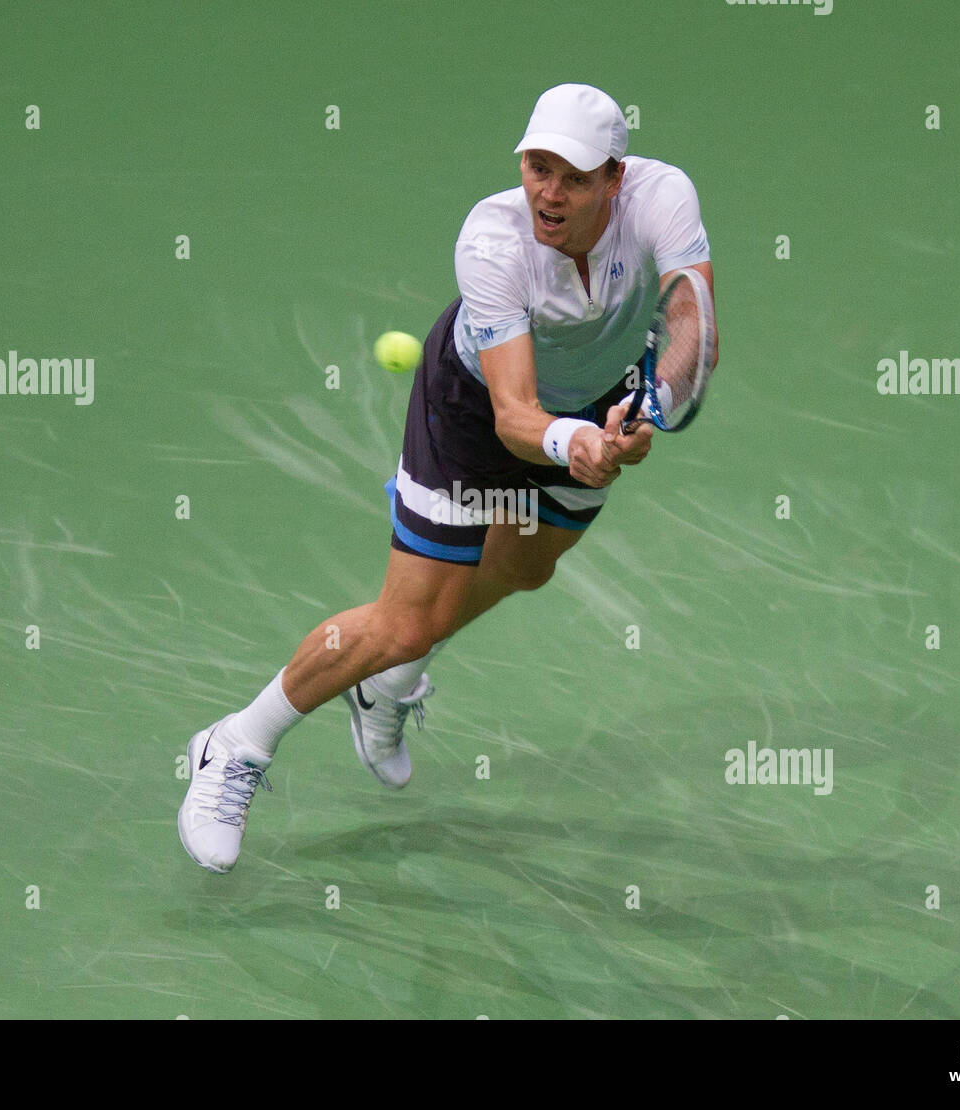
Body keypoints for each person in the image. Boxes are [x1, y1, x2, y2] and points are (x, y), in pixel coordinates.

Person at [179, 83, 718, 873]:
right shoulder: (493, 240)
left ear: (615, 178)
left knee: (526, 566)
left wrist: (650, 403)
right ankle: (235, 745)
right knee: (405, 622)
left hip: (598, 402)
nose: (549, 192)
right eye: (537, 168)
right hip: (474, 413)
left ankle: (386, 682)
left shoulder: (662, 198)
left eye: (571, 175)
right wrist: (580, 444)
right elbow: (513, 414)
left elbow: (689, 324)